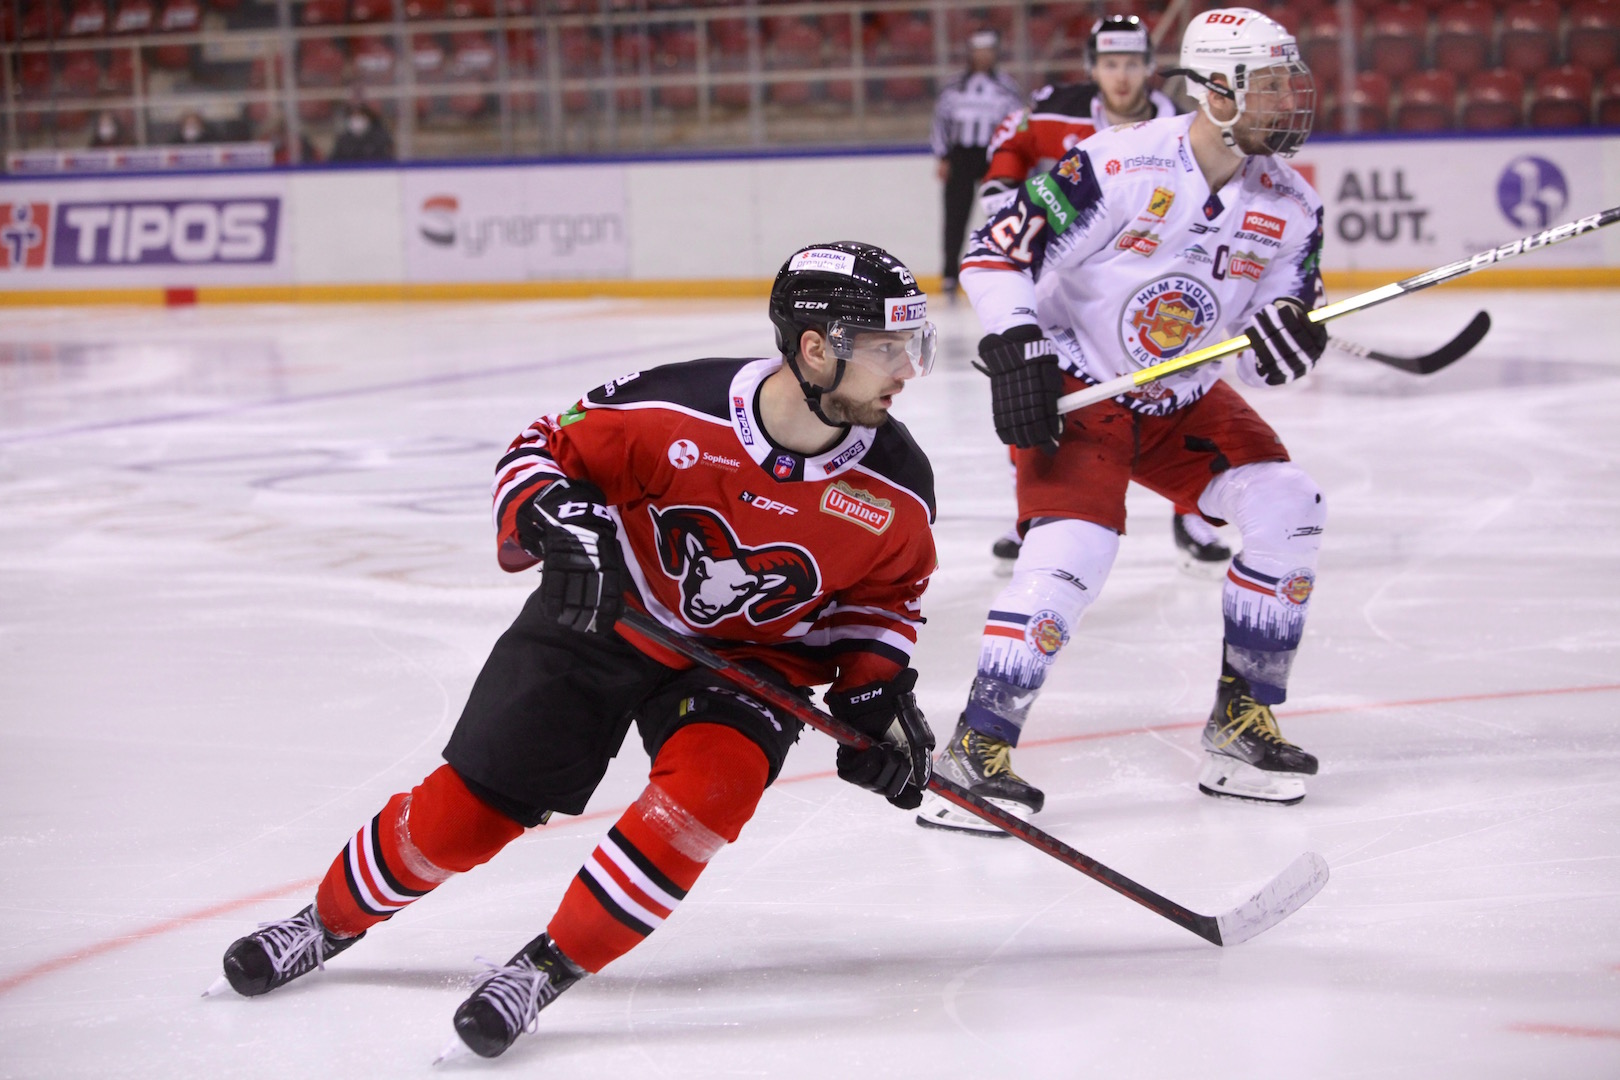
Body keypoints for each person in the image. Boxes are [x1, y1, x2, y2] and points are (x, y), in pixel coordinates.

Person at [211, 241, 941, 1061]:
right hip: (608, 615)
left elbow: (886, 598)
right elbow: (539, 453)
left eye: (910, 347)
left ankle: (544, 969)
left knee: (708, 796)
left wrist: (873, 693)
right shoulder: (671, 408)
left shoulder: (898, 484)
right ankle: (326, 922)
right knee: (468, 814)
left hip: (752, 663)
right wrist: (557, 521)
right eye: (886, 348)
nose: (906, 370)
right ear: (815, 348)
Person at [916, 7, 1328, 835]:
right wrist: (1020, 344)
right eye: (1271, 84)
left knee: (1290, 502)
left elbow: (1262, 350)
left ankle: (1241, 724)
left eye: (1291, 82)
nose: (1290, 99)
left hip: (1182, 395)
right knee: (1076, 548)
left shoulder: (1293, 205)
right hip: (1081, 380)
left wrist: (1289, 342)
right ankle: (975, 749)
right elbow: (995, 253)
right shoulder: (1119, 164)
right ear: (1217, 90)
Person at [978, 15, 1227, 575]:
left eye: (1132, 63)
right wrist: (1002, 186)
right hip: (1064, 274)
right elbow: (1011, 139)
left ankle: (1193, 513)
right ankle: (1033, 511)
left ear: (1150, 67)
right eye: (1110, 63)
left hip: (1150, 281)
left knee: (1185, 384)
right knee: (1032, 384)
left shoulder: (1180, 124)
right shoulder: (1055, 107)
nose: (1121, 76)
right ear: (1092, 68)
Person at [930, 29, 1022, 300]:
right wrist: (943, 156)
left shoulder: (1006, 88)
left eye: (988, 50)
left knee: (1000, 213)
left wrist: (1013, 158)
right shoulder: (954, 87)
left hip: (994, 156)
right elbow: (940, 122)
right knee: (955, 216)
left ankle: (1005, 265)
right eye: (978, 50)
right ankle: (950, 274)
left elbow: (1017, 123)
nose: (983, 56)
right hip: (960, 155)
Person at [329, 99, 395, 162]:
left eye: (360, 114)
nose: (357, 118)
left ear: (368, 116)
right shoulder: (343, 140)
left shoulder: (379, 137)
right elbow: (334, 161)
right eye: (353, 114)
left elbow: (386, 160)